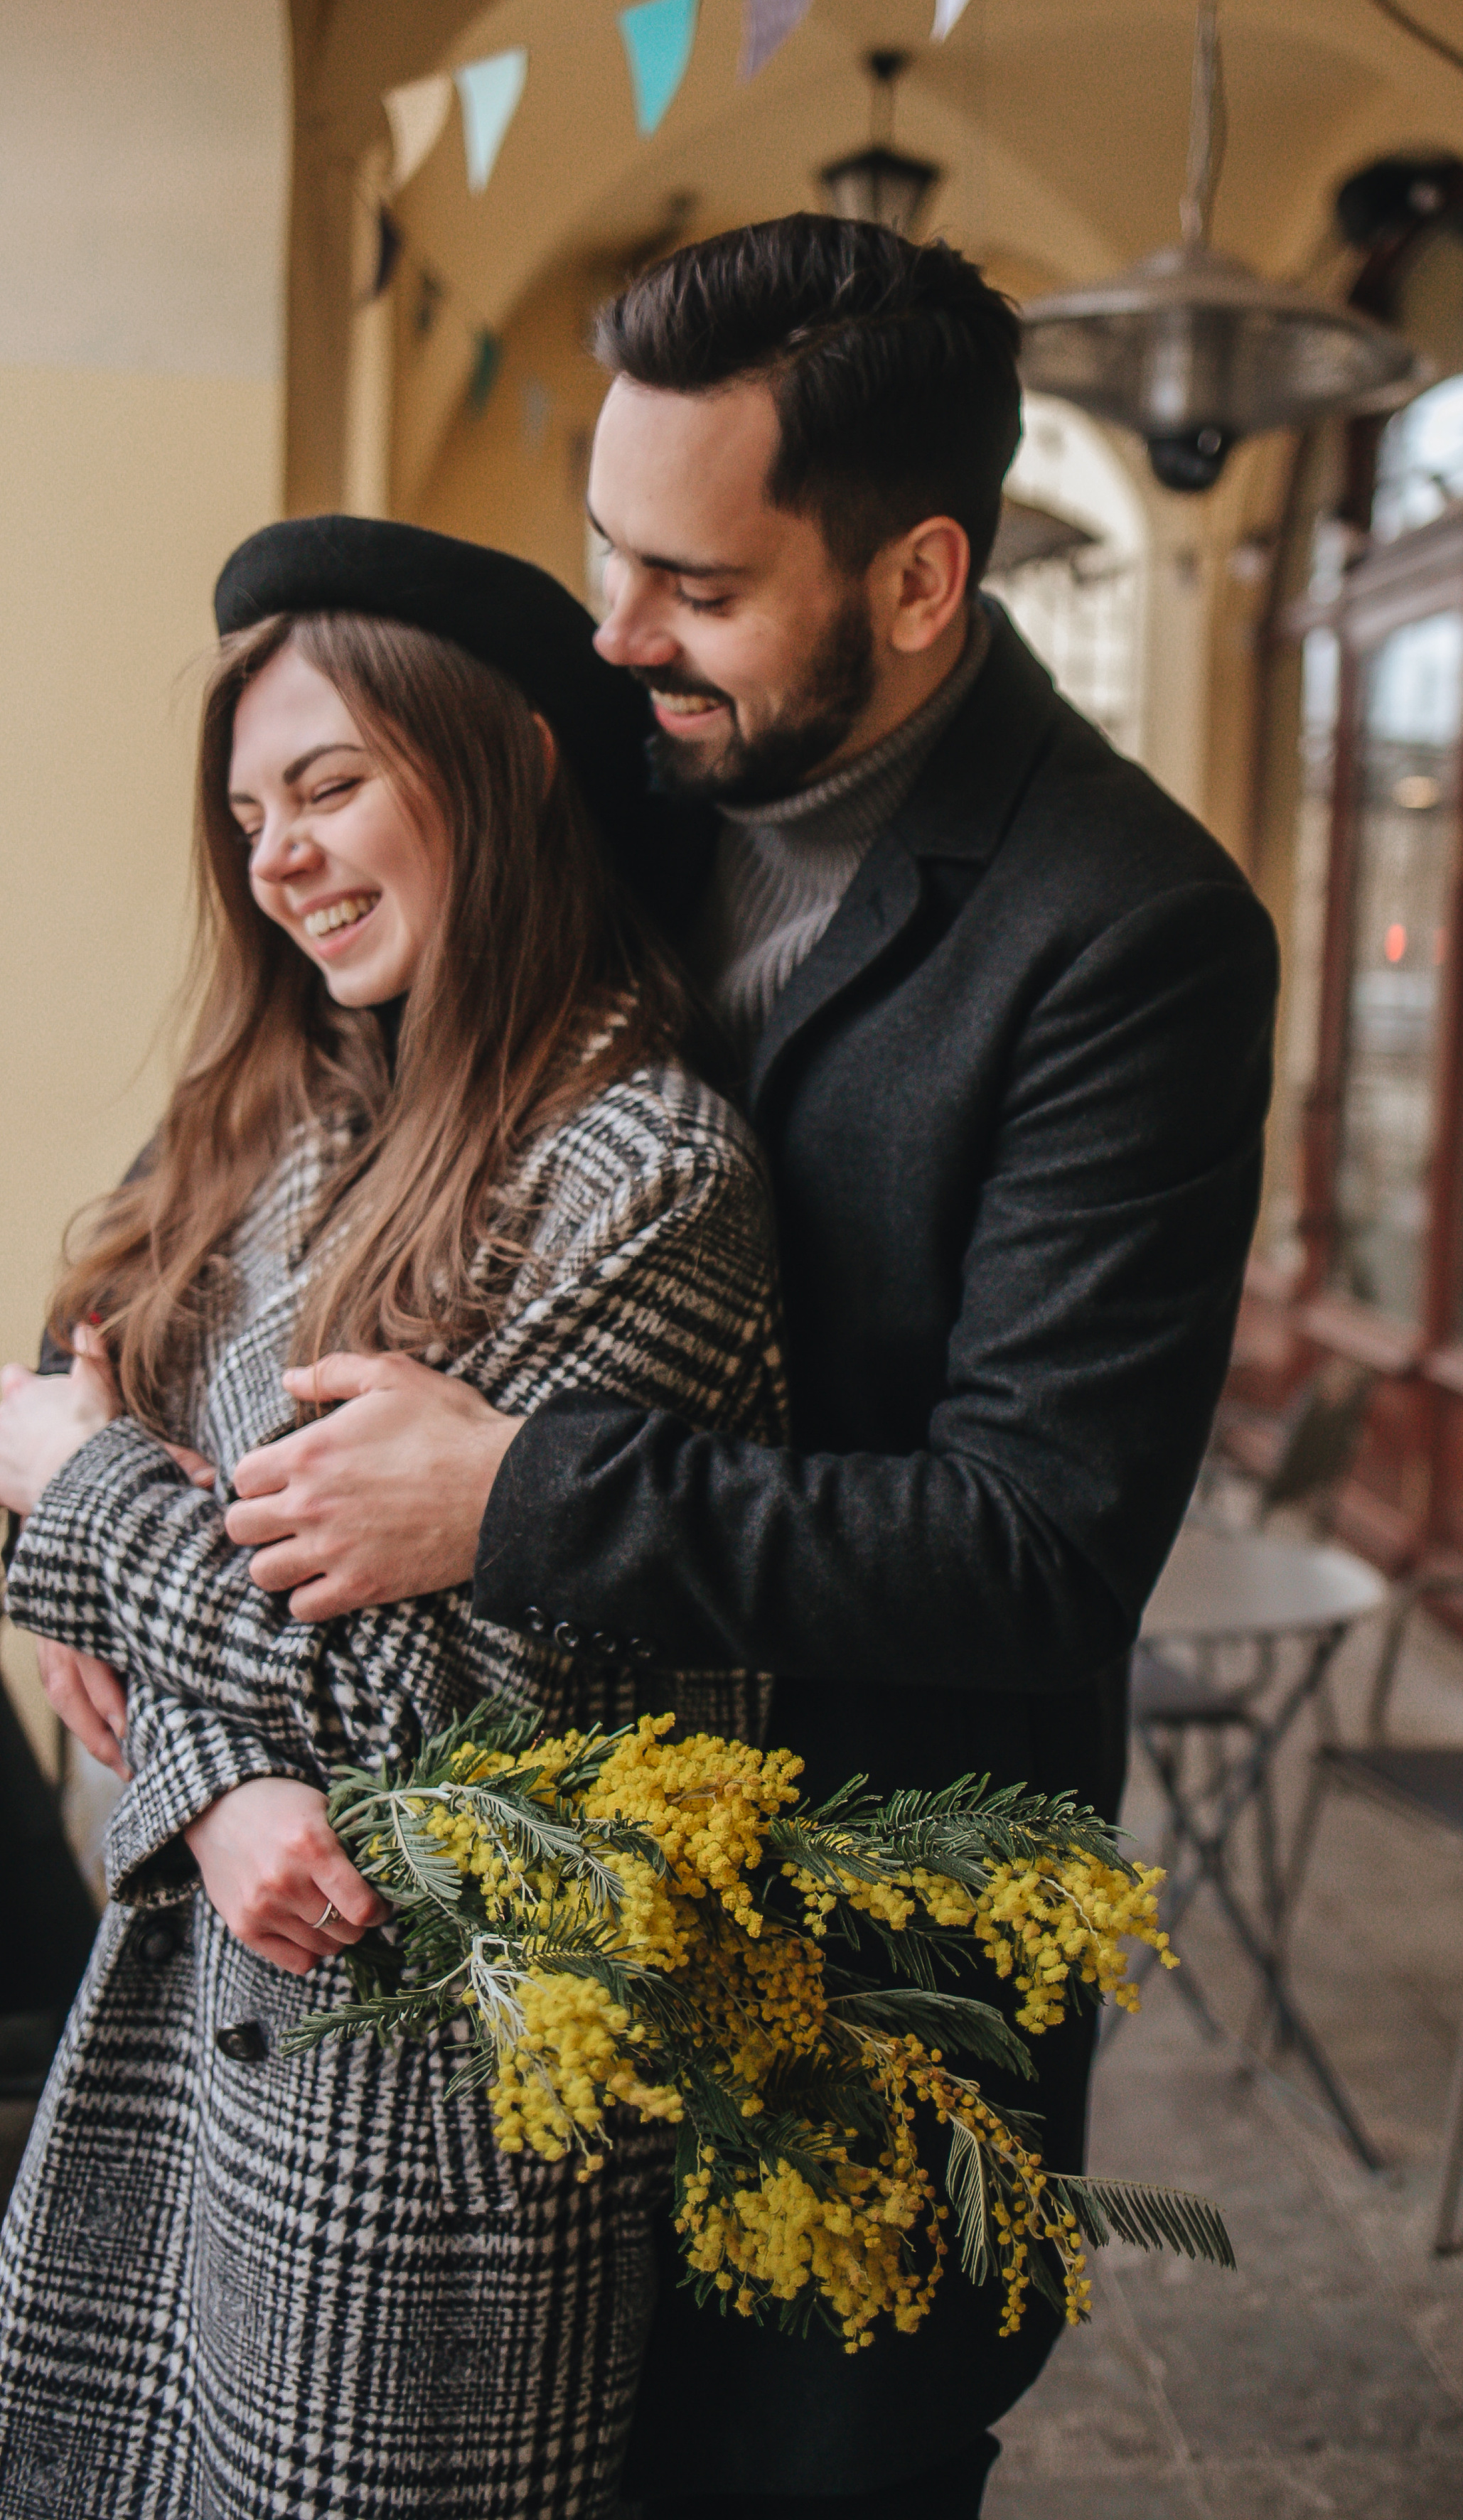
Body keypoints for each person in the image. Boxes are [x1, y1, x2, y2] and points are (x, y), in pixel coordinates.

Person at [34, 216, 1279, 2518]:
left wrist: (506, 1496)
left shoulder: (1129, 932)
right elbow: (228, 1188)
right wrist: (119, 1559)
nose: (617, 639)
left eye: (694, 585)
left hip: (820, 2020)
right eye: (610, 556)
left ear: (917, 581)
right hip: (470, 1994)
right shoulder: (620, 774)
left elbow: (1038, 1547)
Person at [0, 527, 786, 2520]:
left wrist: (84, 1499)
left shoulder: (646, 1171)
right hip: (183, 2038)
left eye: (330, 785)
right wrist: (211, 1782)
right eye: (252, 812)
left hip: (417, 2141)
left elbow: (456, 1720)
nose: (278, 856)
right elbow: (174, 1540)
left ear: (511, 760)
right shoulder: (309, 1115)